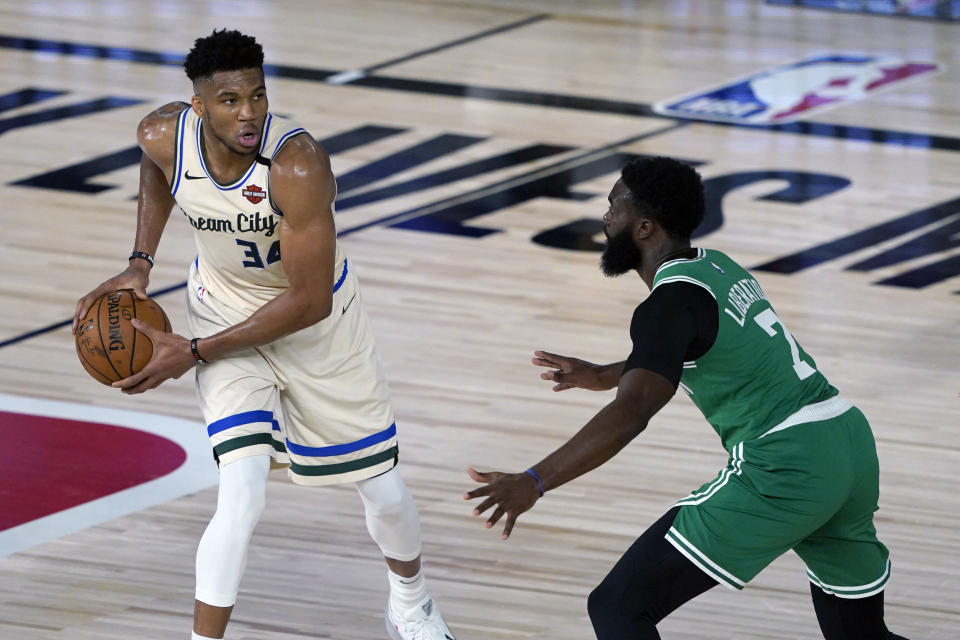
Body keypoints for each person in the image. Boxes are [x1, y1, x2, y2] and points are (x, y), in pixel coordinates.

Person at [73, 29, 455, 640]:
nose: (248, 112)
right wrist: (140, 260)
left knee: (381, 489)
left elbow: (310, 302)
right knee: (242, 490)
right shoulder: (162, 134)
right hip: (221, 309)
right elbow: (157, 168)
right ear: (199, 107)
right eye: (230, 100)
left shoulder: (297, 165)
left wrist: (191, 353)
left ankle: (411, 600)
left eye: (257, 95)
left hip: (318, 329)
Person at [465, 156, 907, 640]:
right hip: (846, 441)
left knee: (618, 608)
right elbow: (708, 346)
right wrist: (609, 373)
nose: (605, 216)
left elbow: (634, 412)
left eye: (615, 204)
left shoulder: (667, 305)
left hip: (789, 463)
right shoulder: (716, 266)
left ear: (645, 226)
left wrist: (534, 481)